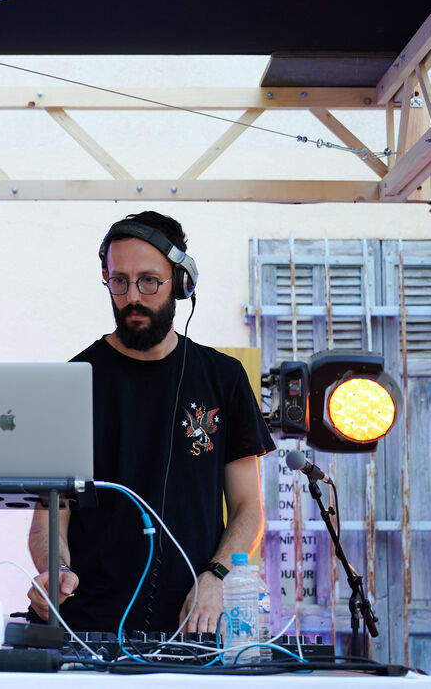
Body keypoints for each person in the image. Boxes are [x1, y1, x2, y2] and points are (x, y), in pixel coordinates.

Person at [27, 211, 274, 635]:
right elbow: (50, 516)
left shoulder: (224, 378)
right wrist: (56, 570)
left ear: (180, 283)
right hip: (88, 629)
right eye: (119, 281)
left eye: (148, 281)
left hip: (194, 625)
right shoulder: (72, 382)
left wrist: (216, 576)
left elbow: (248, 509)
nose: (132, 297)